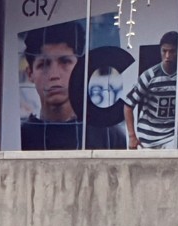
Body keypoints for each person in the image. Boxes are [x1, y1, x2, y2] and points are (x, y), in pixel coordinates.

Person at [18, 23, 125, 151]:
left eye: (65, 62)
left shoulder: (110, 136)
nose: (54, 75)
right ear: (30, 73)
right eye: (44, 64)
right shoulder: (20, 138)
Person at [125, 31, 178, 150]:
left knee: (175, 157)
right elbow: (128, 105)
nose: (167, 56)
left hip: (175, 135)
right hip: (149, 136)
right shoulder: (149, 76)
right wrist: (132, 136)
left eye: (172, 51)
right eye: (164, 51)